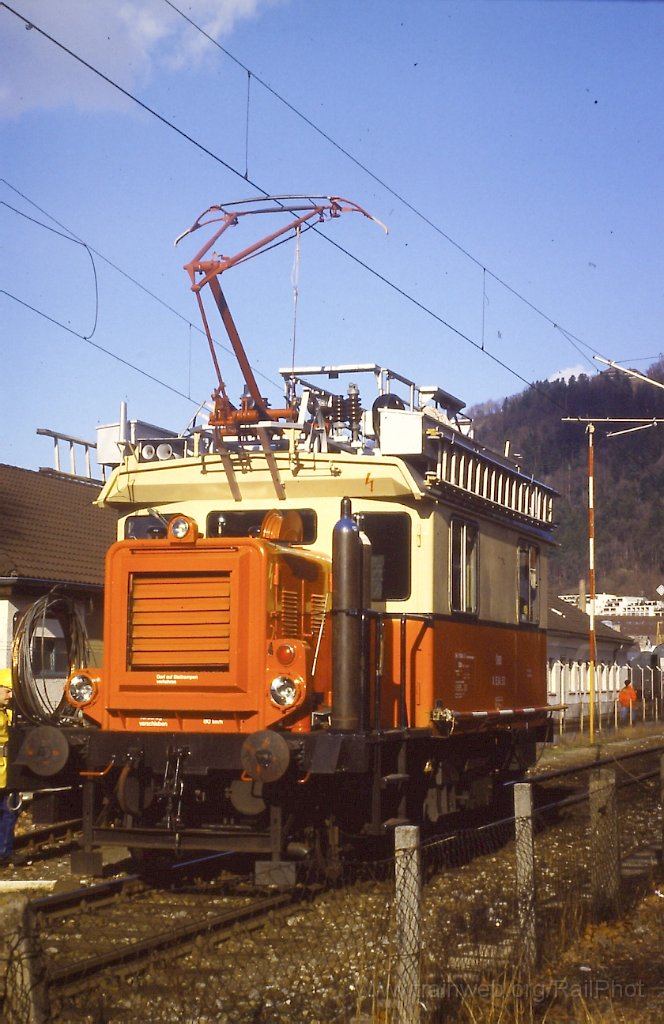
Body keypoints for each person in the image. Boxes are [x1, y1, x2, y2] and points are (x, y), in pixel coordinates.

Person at [0, 667, 20, 865]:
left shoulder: (8, 713)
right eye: (7, 691)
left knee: (10, 811)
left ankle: (4, 852)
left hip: (7, 773)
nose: (11, 695)